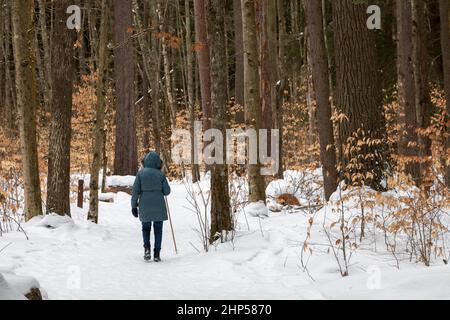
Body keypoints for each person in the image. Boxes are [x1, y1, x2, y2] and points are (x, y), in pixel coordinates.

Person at [131, 151, 171, 262]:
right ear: (158, 162)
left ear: (145, 162)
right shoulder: (161, 174)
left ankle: (147, 249)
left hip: (145, 205)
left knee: (146, 228)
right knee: (158, 229)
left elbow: (135, 191)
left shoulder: (140, 174)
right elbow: (167, 191)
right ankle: (157, 253)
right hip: (158, 205)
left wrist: (134, 206)